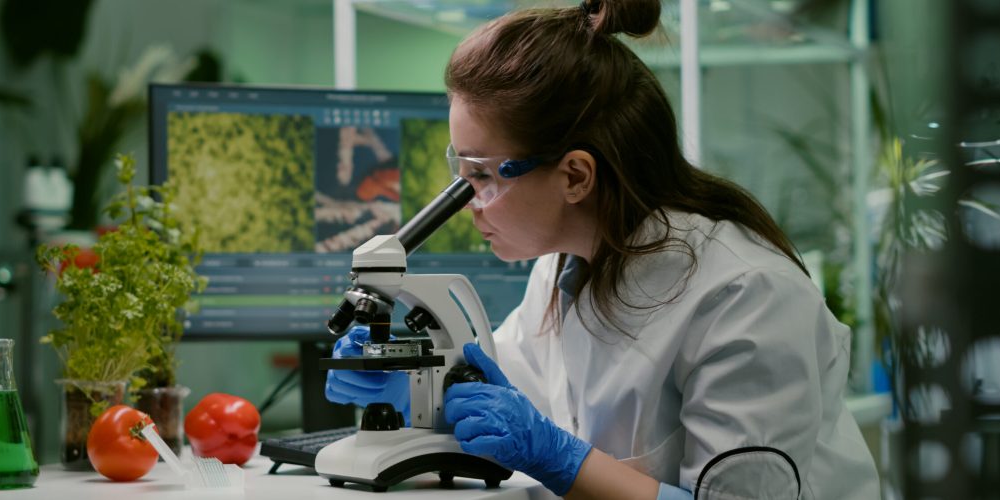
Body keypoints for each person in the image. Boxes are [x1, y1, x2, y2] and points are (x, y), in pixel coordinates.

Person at [326, 0, 881, 498]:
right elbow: (505, 392)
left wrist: (559, 458)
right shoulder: (564, 268)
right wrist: (411, 386)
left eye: (483, 175)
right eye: (461, 169)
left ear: (575, 176)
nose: (469, 202)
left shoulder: (744, 296)